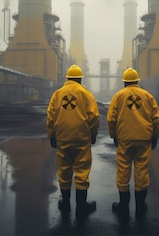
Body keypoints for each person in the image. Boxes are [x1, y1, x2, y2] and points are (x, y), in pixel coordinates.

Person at [107, 67, 159, 219]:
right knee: (142, 170)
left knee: (123, 170)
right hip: (144, 139)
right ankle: (140, 206)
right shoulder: (148, 96)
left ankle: (123, 205)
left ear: (124, 82)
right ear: (137, 81)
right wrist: (155, 136)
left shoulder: (119, 96)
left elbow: (111, 119)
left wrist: (114, 136)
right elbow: (155, 118)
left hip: (124, 139)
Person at [47, 64, 100, 215]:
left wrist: (52, 135)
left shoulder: (57, 94)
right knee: (82, 172)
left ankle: (65, 203)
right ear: (80, 79)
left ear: (67, 78)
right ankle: (82, 206)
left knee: (64, 170)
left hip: (62, 138)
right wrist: (93, 134)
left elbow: (51, 117)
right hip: (81, 139)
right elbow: (94, 117)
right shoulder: (86, 94)